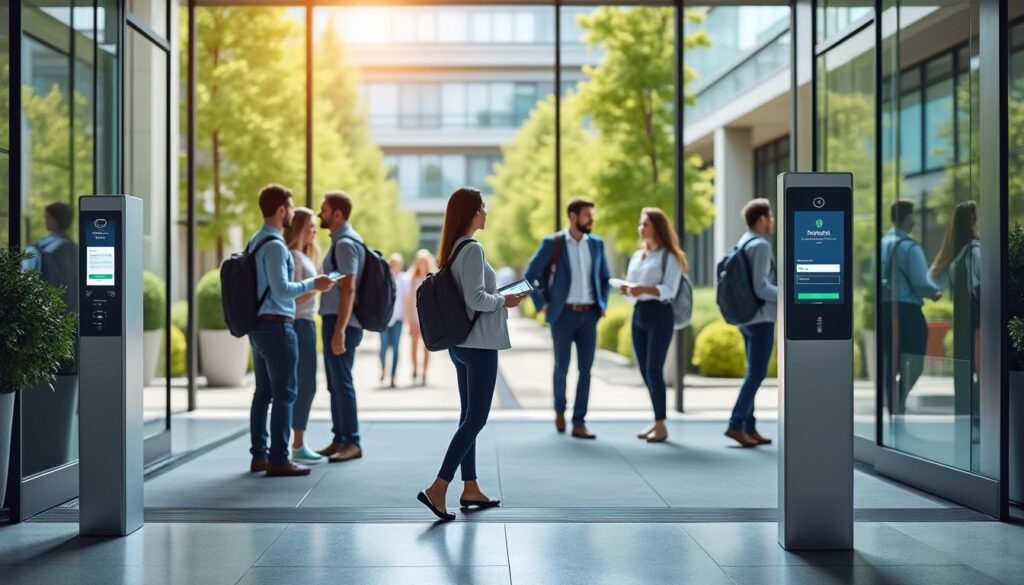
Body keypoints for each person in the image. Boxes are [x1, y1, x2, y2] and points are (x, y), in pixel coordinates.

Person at [417, 187, 527, 521]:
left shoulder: (453, 249)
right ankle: (438, 487)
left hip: (461, 345)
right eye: (483, 207)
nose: (486, 212)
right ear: (472, 212)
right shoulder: (473, 249)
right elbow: (476, 299)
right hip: (479, 346)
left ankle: (471, 487)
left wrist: (496, 297)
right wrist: (504, 300)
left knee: (468, 418)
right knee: (476, 419)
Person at [247, 185, 334, 477]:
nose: (293, 213)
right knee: (285, 393)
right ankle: (279, 459)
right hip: (276, 325)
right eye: (292, 208)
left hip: (259, 325)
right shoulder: (274, 246)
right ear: (281, 210)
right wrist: (314, 284)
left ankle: (260, 455)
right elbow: (282, 290)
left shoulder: (255, 241)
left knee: (263, 393)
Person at [524, 198, 611, 439]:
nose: (591, 219)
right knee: (561, 367)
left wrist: (602, 304)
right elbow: (530, 276)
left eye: (591, 214)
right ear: (573, 216)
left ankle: (579, 422)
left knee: (586, 370)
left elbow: (604, 278)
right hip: (562, 316)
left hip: (589, 315)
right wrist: (542, 305)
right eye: (587, 215)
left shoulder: (596, 244)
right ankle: (560, 410)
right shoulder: (553, 243)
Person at [618, 207, 685, 444]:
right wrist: (628, 291)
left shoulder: (670, 256)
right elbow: (633, 291)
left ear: (657, 226)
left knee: (654, 369)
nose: (641, 228)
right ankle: (657, 420)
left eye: (645, 224)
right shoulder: (638, 256)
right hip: (639, 313)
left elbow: (670, 290)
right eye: (640, 223)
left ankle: (661, 424)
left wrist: (642, 289)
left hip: (660, 314)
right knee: (645, 371)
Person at [316, 191, 366, 463]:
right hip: (336, 319)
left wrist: (340, 330)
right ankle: (340, 438)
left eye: (323, 209)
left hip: (341, 321)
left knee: (342, 382)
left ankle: (352, 441)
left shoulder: (345, 244)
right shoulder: (341, 242)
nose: (319, 213)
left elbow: (349, 289)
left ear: (337, 214)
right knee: (336, 383)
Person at [881, 200, 942, 417]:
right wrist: (935, 293)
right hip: (908, 310)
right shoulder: (911, 247)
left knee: (889, 359)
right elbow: (921, 283)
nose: (914, 220)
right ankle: (900, 400)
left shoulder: (881, 244)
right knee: (915, 360)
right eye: (913, 215)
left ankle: (892, 406)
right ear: (908, 217)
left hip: (885, 309)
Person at [724, 199, 777, 448]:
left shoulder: (743, 241)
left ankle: (749, 427)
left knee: (751, 372)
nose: (772, 221)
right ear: (761, 219)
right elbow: (761, 287)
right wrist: (789, 294)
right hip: (761, 317)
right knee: (757, 373)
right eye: (770, 216)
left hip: (746, 317)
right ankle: (736, 424)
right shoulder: (761, 245)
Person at [930, 200, 980, 444]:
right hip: (978, 322)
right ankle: (981, 426)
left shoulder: (956, 255)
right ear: (972, 220)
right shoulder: (975, 251)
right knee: (982, 375)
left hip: (961, 324)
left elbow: (932, 279)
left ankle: (966, 427)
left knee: (963, 376)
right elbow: (981, 287)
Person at [284, 207, 325, 465]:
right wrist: (316, 288)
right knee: (304, 385)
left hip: (306, 323)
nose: (314, 231)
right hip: (299, 324)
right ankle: (296, 444)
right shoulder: (294, 257)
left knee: (305, 384)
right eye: (310, 226)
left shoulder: (303, 256)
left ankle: (297, 442)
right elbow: (292, 297)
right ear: (299, 227)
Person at [23, 202, 79, 314]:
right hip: (76, 319)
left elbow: (25, 288)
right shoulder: (79, 251)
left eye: (46, 217)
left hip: (45, 318)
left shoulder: (36, 251)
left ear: (52, 220)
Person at [406, 249, 436, 386]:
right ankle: (414, 368)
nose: (422, 264)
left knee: (427, 346)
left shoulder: (433, 278)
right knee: (413, 345)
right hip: (414, 317)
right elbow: (408, 300)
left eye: (424, 261)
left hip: (428, 318)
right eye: (420, 261)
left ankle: (424, 372)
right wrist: (409, 320)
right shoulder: (411, 278)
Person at [380, 253, 409, 388]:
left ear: (401, 265)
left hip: (398, 319)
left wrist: (407, 318)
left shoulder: (404, 279)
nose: (394, 266)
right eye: (392, 263)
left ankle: (393, 376)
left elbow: (407, 299)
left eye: (396, 264)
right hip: (385, 319)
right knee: (384, 348)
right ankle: (383, 369)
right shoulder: (384, 278)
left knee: (396, 348)